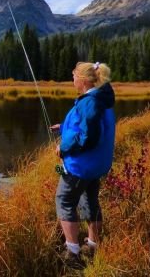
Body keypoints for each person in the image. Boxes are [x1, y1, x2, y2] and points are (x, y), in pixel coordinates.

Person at [50, 61, 116, 269]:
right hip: (95, 165)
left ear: (84, 80)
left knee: (65, 200)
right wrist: (64, 126)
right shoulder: (99, 99)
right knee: (89, 199)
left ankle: (73, 253)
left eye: (73, 77)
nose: (72, 80)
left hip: (81, 166)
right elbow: (88, 125)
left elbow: (88, 137)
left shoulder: (89, 102)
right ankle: (93, 245)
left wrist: (64, 147)